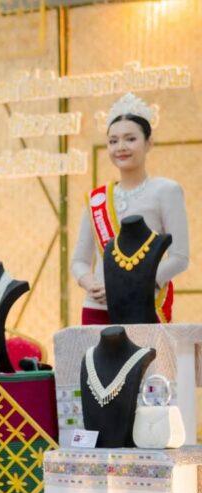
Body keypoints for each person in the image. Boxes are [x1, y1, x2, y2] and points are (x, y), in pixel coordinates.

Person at [71, 92, 189, 324]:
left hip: (142, 304)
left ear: (149, 143)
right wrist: (90, 283)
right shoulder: (97, 199)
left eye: (130, 139)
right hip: (97, 308)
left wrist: (130, 286)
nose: (121, 147)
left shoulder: (166, 190)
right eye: (113, 141)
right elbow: (79, 261)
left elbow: (179, 258)